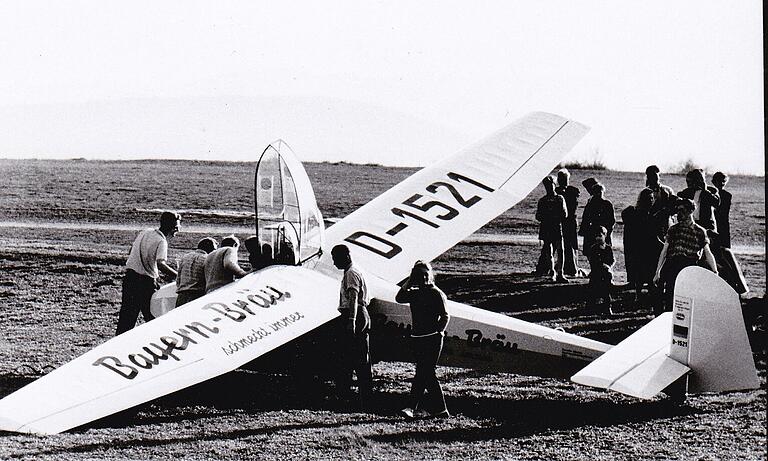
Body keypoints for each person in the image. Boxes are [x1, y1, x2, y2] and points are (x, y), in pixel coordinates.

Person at [396, 261, 451, 419]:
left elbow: (445, 315)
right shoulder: (414, 293)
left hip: (432, 339)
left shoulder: (436, 293)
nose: (422, 278)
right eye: (418, 275)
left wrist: (438, 331)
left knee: (424, 372)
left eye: (424, 275)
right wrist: (409, 282)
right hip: (418, 338)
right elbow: (399, 297)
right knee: (425, 373)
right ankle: (440, 410)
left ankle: (412, 407)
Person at [116, 211, 181, 335]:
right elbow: (161, 264)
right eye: (177, 228)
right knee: (153, 317)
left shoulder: (146, 232)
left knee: (126, 319)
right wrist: (178, 276)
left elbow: (131, 250)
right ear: (173, 228)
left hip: (130, 278)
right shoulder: (162, 242)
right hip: (146, 283)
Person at [654, 198, 718, 313]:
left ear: (691, 211)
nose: (679, 213)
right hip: (673, 264)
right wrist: (657, 271)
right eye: (678, 210)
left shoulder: (700, 231)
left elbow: (707, 252)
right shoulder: (673, 229)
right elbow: (665, 251)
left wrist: (715, 271)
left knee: (686, 298)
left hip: (689, 265)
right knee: (670, 295)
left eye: (682, 210)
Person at [331, 244, 373, 409]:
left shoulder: (351, 273)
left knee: (348, 357)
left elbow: (354, 297)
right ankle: (364, 397)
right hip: (361, 314)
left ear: (345, 256)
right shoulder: (356, 270)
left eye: (336, 259)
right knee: (361, 357)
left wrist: (351, 320)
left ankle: (347, 395)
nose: (334, 263)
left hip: (354, 315)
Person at [621, 188, 663, 303]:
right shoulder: (642, 214)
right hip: (641, 248)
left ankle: (641, 294)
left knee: (644, 272)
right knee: (644, 272)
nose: (651, 200)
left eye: (652, 198)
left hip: (642, 247)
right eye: (649, 198)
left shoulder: (641, 213)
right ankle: (640, 295)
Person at [534, 176, 568, 282]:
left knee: (560, 250)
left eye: (550, 185)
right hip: (547, 227)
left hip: (556, 227)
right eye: (546, 186)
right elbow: (538, 216)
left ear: (554, 185)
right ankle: (552, 272)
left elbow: (564, 214)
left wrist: (550, 216)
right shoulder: (542, 200)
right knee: (549, 251)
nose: (548, 187)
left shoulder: (559, 198)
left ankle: (560, 272)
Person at [555, 168, 583, 277]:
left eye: (565, 178)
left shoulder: (572, 191)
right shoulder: (562, 191)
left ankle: (571, 267)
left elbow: (572, 206)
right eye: (562, 178)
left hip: (569, 221)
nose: (563, 180)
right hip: (563, 221)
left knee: (570, 244)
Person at [175, 237, 217, 307]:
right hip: (197, 295)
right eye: (214, 250)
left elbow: (178, 279)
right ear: (210, 249)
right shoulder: (208, 259)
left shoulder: (185, 257)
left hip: (181, 295)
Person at [678, 169, 720, 236]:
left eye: (691, 182)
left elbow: (716, 203)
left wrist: (705, 190)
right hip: (692, 225)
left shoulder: (712, 191)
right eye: (687, 181)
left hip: (707, 225)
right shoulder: (686, 192)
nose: (689, 184)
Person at [579, 182, 615, 258]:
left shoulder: (607, 204)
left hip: (603, 231)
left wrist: (608, 233)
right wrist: (583, 230)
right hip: (593, 230)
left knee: (604, 252)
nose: (598, 194)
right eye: (596, 192)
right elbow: (585, 218)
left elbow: (611, 221)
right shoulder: (591, 203)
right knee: (592, 252)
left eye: (599, 192)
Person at [586, 226, 615, 315]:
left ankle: (607, 307)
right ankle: (591, 306)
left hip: (605, 273)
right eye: (596, 236)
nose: (598, 238)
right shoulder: (593, 248)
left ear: (605, 236)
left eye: (600, 236)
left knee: (606, 290)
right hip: (596, 272)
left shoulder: (608, 248)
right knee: (593, 290)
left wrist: (609, 266)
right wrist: (601, 265)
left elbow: (612, 260)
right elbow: (593, 261)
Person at [644, 165, 677, 242]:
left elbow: (674, 209)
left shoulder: (667, 190)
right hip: (651, 224)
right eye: (650, 176)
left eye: (655, 175)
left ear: (659, 176)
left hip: (666, 223)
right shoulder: (645, 192)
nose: (653, 178)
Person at [712, 172, 732, 249]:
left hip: (722, 222)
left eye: (723, 181)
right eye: (719, 181)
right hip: (717, 222)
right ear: (714, 182)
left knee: (724, 247)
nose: (721, 183)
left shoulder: (727, 195)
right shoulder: (710, 194)